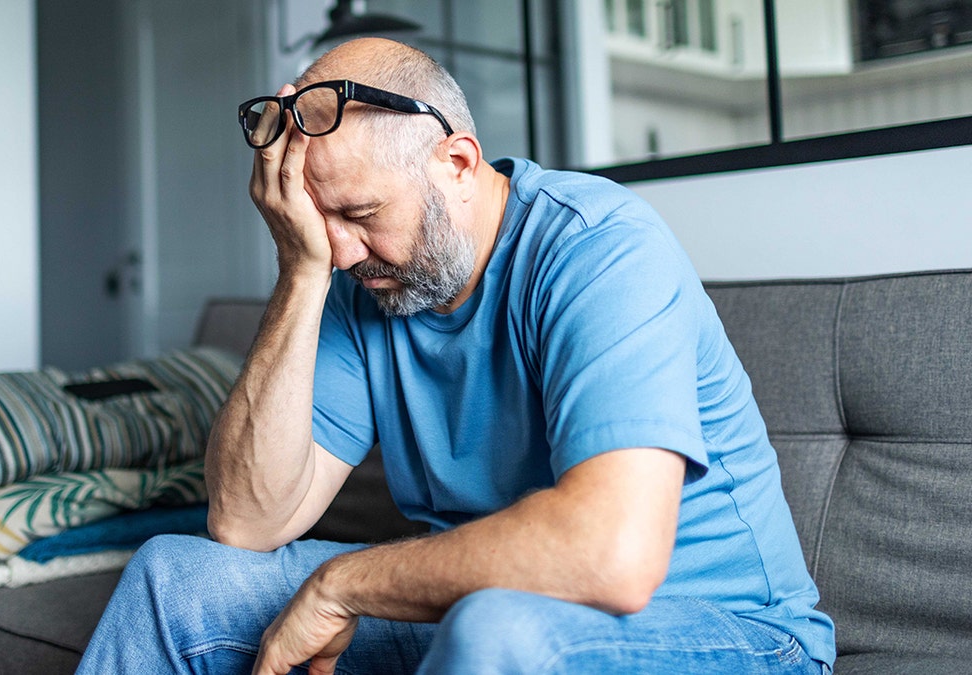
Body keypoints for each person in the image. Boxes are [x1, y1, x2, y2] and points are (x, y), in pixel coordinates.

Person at [77, 37, 836, 674]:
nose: (342, 249)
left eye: (360, 214)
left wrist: (345, 584)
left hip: (732, 633)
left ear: (459, 163)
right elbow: (246, 521)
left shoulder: (598, 248)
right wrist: (299, 269)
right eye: (315, 221)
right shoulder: (357, 280)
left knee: (496, 630)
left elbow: (612, 553)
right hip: (482, 610)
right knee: (174, 578)